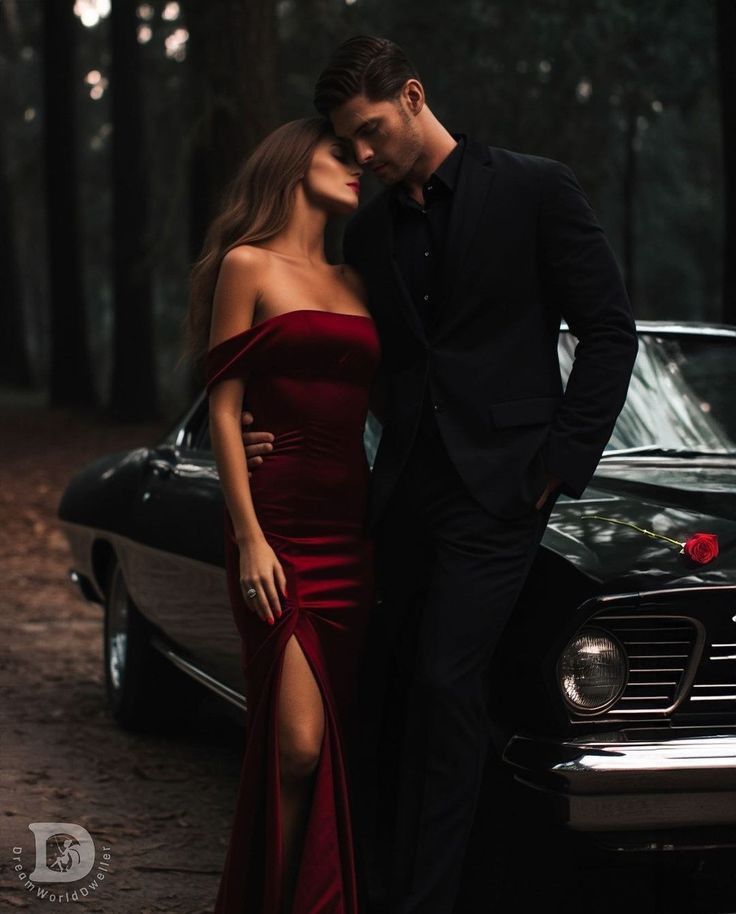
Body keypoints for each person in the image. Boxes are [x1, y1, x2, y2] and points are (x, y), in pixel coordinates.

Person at [239, 35, 639, 914]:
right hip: (401, 497)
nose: (368, 155)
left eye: (374, 130)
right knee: (390, 693)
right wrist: (267, 426)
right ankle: (369, 882)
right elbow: (348, 355)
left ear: (414, 96)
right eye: (352, 144)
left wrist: (557, 465)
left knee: (443, 682)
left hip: (502, 494)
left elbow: (610, 331)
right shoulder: (373, 228)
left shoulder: (535, 186)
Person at [185, 116, 381, 914]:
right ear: (295, 160)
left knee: (326, 742)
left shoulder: (361, 282)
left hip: (352, 528)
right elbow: (224, 412)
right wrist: (250, 537)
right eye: (342, 152)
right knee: (297, 746)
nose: (358, 165)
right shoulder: (246, 265)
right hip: (279, 530)